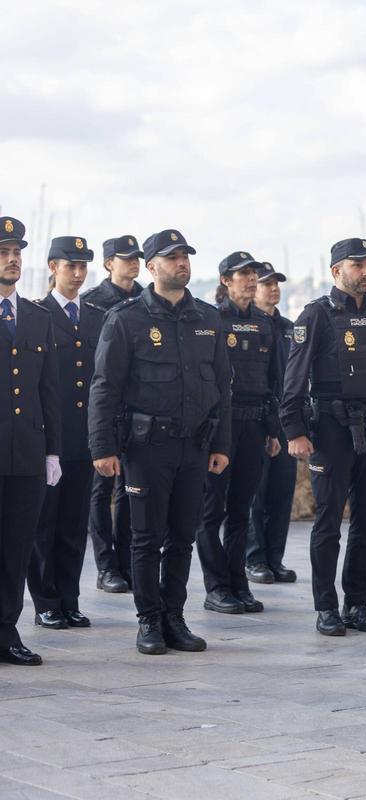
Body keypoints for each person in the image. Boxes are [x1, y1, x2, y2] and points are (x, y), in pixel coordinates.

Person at [89, 229, 231, 655]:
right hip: (146, 448)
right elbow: (104, 388)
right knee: (146, 538)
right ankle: (148, 620)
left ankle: (174, 617)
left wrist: (222, 444)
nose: (181, 263)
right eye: (172, 257)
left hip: (194, 446)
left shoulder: (207, 318)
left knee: (182, 537)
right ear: (151, 267)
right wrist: (102, 448)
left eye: (185, 256)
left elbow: (223, 387)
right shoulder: (127, 319)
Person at [281, 238, 366, 637]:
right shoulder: (316, 315)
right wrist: (295, 431)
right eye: (357, 265)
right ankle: (326, 607)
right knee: (327, 523)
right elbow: (294, 380)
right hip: (331, 431)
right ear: (336, 271)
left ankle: (357, 602)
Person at [195, 252, 281, 616]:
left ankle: (237, 582)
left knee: (241, 510)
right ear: (225, 281)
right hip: (222, 428)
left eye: (254, 274)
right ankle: (216, 586)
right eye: (242, 274)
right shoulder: (213, 320)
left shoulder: (264, 324)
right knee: (210, 512)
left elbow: (274, 380)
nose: (250, 280)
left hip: (254, 424)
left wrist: (273, 429)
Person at [29, 236, 101, 632]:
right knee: (45, 524)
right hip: (48, 438)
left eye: (82, 265)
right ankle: (46, 601)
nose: (77, 273)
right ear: (53, 268)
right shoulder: (38, 314)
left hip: (84, 438)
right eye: (70, 265)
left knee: (74, 525)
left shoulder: (95, 316)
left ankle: (69, 599)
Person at [0, 216, 61, 666]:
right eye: (4, 252)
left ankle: (6, 633)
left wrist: (53, 450)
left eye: (17, 252)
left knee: (17, 547)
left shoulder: (38, 317)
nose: (12, 259)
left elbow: (49, 390)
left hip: (27, 453)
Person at [83, 235, 143, 593]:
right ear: (109, 263)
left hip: (136, 409)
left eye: (137, 258)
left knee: (128, 490)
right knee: (100, 488)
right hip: (106, 408)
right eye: (126, 258)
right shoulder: (94, 304)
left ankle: (124, 562)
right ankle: (106, 565)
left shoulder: (145, 301)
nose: (133, 263)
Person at [246, 265, 299, 585]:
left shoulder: (289, 327)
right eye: (266, 284)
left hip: (285, 419)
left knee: (282, 493)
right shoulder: (249, 324)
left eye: (276, 283)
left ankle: (275, 558)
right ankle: (254, 558)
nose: (273, 289)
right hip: (256, 418)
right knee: (256, 494)